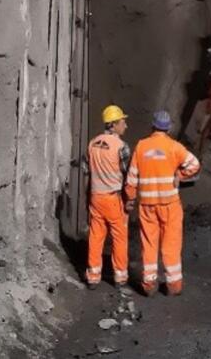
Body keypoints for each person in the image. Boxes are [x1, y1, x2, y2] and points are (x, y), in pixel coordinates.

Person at [125, 110, 201, 297]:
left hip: (148, 205)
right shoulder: (174, 147)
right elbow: (194, 164)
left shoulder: (142, 146)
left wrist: (130, 199)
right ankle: (173, 285)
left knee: (149, 243)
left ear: (153, 125)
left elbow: (131, 178)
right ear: (168, 128)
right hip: (170, 204)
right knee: (171, 243)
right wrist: (180, 176)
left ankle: (149, 285)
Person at [86, 105, 131, 289]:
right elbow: (128, 174)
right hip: (112, 198)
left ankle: (93, 276)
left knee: (96, 236)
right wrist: (130, 198)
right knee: (119, 236)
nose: (125, 125)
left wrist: (86, 197)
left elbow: (85, 171)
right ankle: (120, 277)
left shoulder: (93, 143)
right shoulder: (121, 147)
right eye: (122, 122)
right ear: (113, 124)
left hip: (95, 196)